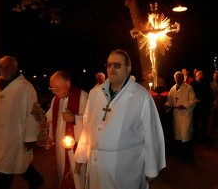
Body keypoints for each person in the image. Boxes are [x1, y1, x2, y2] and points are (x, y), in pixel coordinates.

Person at [74, 49, 166, 189]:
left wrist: (152, 169)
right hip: (97, 166)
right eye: (109, 65)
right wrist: (81, 156)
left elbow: (152, 134)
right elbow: (87, 127)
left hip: (125, 169)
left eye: (117, 65)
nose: (112, 69)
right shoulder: (95, 93)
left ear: (128, 68)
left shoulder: (141, 96)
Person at [0, 55, 43, 189]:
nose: (4, 69)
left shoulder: (26, 87)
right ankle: (36, 179)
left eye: (8, 66)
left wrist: (30, 137)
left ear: (15, 68)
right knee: (18, 163)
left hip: (16, 135)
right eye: (2, 66)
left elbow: (33, 114)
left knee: (7, 166)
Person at [46, 70, 88, 189]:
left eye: (56, 88)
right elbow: (50, 119)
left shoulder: (82, 96)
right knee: (62, 175)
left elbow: (90, 122)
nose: (54, 91)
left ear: (67, 85)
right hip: (60, 148)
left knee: (77, 180)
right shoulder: (55, 100)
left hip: (77, 148)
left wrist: (74, 118)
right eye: (52, 88)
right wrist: (49, 136)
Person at [164, 71, 197, 162]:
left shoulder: (188, 88)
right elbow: (169, 100)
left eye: (180, 78)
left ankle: (187, 155)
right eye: (176, 78)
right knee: (178, 136)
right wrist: (167, 105)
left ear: (183, 79)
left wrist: (185, 105)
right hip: (177, 115)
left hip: (186, 115)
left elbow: (193, 100)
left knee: (185, 135)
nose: (178, 80)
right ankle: (180, 155)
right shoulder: (172, 89)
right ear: (174, 79)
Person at [190, 70, 211, 143]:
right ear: (197, 76)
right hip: (195, 106)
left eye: (202, 75)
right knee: (195, 122)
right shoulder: (193, 84)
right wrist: (195, 100)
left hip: (203, 105)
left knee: (204, 122)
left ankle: (203, 137)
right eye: (200, 75)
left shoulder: (205, 83)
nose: (201, 77)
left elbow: (208, 93)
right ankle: (195, 137)